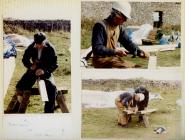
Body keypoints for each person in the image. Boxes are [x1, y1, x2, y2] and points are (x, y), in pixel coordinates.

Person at [6, 32, 58, 113]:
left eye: (41, 44)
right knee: (21, 86)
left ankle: (48, 114)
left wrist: (44, 71)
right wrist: (30, 66)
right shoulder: (32, 46)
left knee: (52, 88)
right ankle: (18, 107)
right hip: (34, 69)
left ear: (44, 41)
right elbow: (24, 59)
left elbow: (55, 64)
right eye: (37, 44)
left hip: (45, 71)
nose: (39, 46)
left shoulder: (50, 48)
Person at [91, 1, 149, 68]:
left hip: (112, 59)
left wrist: (139, 51)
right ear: (116, 14)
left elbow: (127, 43)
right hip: (101, 61)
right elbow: (97, 48)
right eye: (124, 18)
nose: (125, 20)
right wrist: (115, 52)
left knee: (137, 67)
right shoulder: (100, 26)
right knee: (129, 69)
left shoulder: (119, 27)